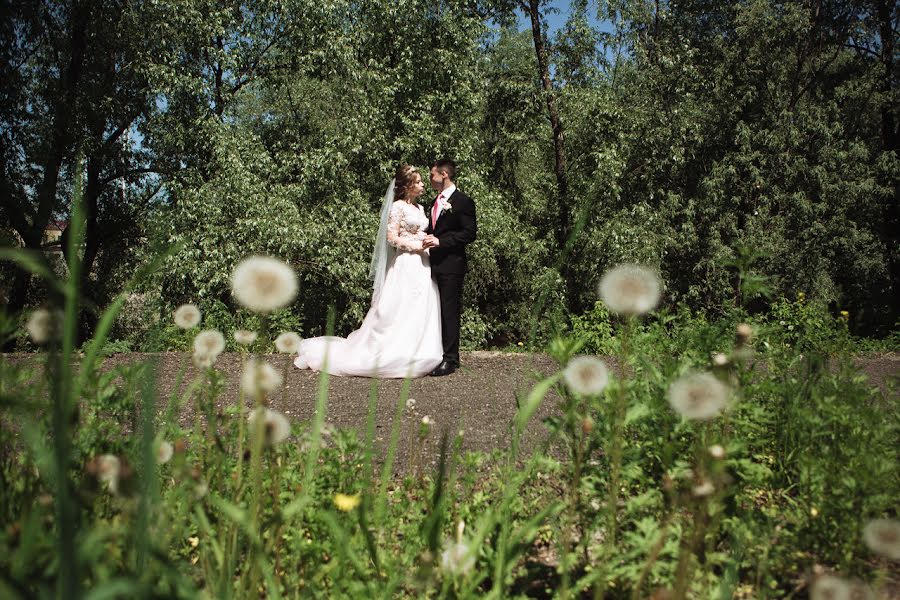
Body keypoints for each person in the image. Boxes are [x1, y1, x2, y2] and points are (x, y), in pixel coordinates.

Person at [293, 165, 443, 378]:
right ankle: (391, 351)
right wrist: (416, 246)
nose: (422, 185)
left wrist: (426, 242)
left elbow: (420, 231)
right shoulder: (398, 207)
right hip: (405, 262)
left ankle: (418, 350)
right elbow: (391, 238)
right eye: (418, 182)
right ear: (408, 186)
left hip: (422, 264)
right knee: (397, 306)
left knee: (420, 305)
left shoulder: (420, 209)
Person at [423, 158, 477, 377]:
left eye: (432, 175)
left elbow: (469, 233)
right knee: (434, 310)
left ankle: (451, 360)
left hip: (451, 265)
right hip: (431, 263)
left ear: (443, 175)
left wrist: (440, 242)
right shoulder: (434, 201)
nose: (430, 180)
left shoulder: (463, 201)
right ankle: (436, 353)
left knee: (449, 311)